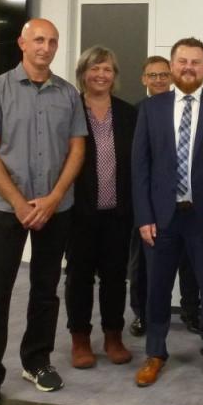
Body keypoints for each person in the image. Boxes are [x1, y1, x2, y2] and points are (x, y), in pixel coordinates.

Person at [0, 18, 87, 405]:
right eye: (38, 39)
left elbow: (76, 151)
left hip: (56, 208)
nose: (45, 47)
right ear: (22, 42)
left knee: (45, 289)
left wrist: (54, 197)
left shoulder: (68, 94)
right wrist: (19, 203)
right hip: (6, 210)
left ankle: (36, 361)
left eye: (52, 41)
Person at [132, 37, 203, 387]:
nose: (189, 67)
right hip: (161, 218)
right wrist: (144, 217)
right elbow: (140, 166)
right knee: (157, 289)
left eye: (196, 62)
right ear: (172, 66)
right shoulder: (151, 108)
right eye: (183, 61)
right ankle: (155, 352)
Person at [66, 46, 136, 370]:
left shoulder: (128, 114)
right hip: (78, 213)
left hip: (118, 214)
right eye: (94, 68)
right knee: (79, 277)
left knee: (115, 278)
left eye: (107, 69)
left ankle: (113, 336)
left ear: (114, 75)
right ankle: (80, 339)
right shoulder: (69, 110)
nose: (100, 75)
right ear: (83, 74)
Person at [127, 56, 202, 338]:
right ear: (143, 79)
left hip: (185, 203)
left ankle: (191, 311)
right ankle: (142, 314)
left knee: (189, 263)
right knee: (143, 265)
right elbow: (136, 163)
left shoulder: (187, 109)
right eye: (152, 75)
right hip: (148, 204)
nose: (158, 80)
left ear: (171, 77)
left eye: (163, 75)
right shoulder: (136, 112)